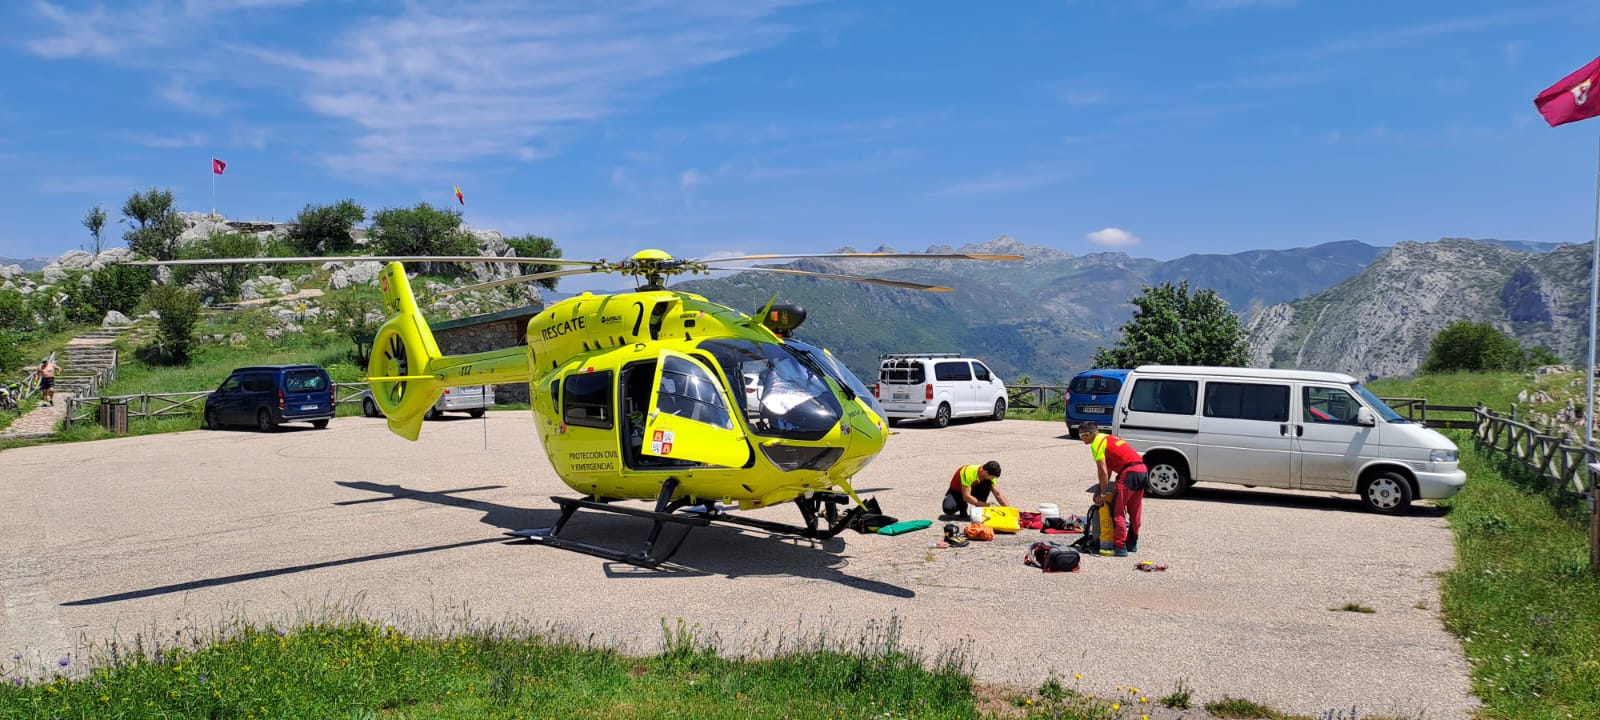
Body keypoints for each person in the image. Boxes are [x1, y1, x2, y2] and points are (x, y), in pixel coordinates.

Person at [1078, 421, 1148, 557]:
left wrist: (1103, 494)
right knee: (1135, 509)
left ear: (1087, 435)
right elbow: (1109, 470)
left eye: (1081, 436)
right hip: (1142, 470)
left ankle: (1120, 546)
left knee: (1117, 510)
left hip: (1129, 473)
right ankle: (1132, 543)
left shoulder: (1096, 443)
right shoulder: (1108, 438)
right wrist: (1099, 490)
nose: (1081, 440)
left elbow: (1102, 470)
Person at [941, 460, 1009, 518]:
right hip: (957, 492)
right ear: (985, 472)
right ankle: (962, 505)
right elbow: (966, 497)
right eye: (992, 477)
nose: (993, 479)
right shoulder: (968, 472)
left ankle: (979, 509)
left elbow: (998, 494)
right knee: (948, 509)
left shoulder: (989, 476)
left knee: (988, 483)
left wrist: (1010, 511)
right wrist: (988, 505)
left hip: (971, 490)